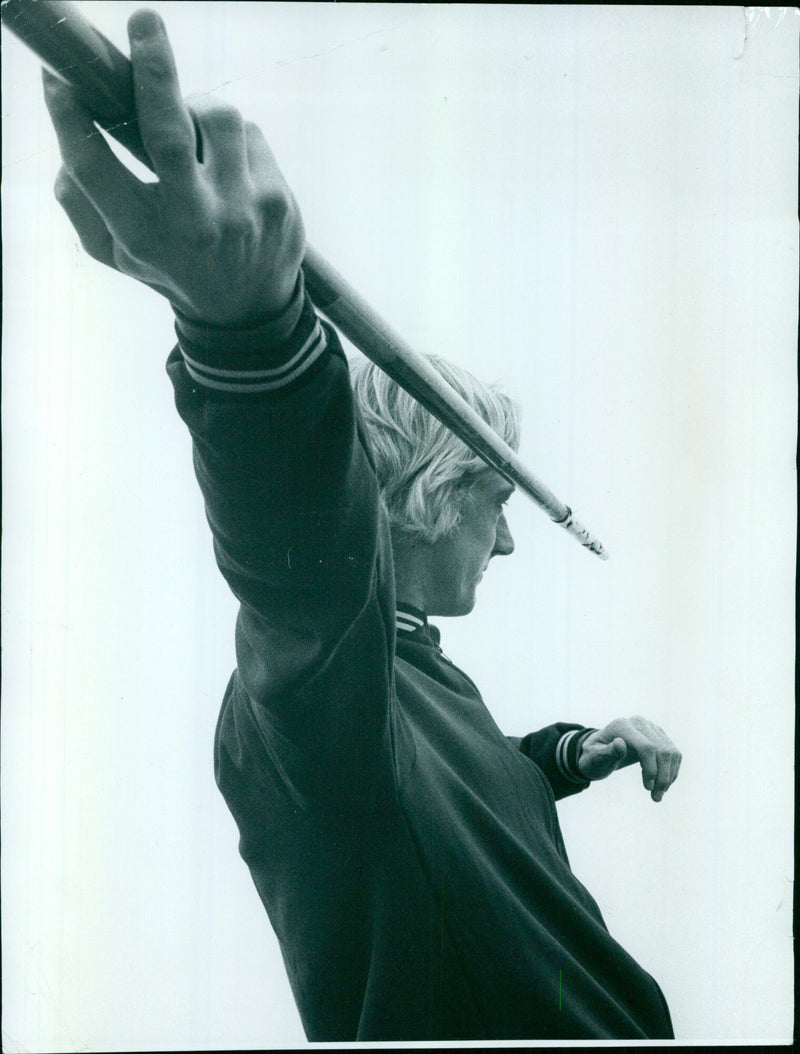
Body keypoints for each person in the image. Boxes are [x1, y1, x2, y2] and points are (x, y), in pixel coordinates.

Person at [42, 9, 681, 1042]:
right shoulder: (320, 686)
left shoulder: (418, 682)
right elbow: (302, 568)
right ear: (422, 493)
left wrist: (572, 751)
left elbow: (475, 783)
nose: (508, 542)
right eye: (493, 501)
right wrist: (245, 337)